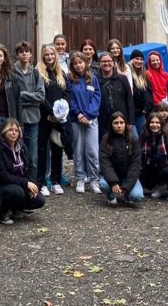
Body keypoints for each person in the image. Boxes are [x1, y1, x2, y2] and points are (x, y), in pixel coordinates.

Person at [0, 118, 46, 224]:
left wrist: (32, 183)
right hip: (1, 185)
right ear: (3, 132)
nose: (14, 133)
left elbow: (30, 167)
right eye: (10, 130)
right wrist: (25, 183)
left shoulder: (22, 146)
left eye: (16, 130)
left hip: (19, 182)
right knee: (17, 192)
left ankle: (17, 208)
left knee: (39, 200)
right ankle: (2, 212)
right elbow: (3, 176)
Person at [8, 40, 46, 180]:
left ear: (31, 54)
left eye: (27, 51)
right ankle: (18, 180)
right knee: (15, 152)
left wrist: (23, 95)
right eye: (21, 52)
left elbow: (41, 96)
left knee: (32, 153)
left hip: (33, 117)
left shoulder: (35, 73)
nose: (24, 54)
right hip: (16, 117)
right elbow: (11, 95)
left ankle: (33, 181)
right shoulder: (11, 72)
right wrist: (31, 98)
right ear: (17, 55)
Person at [66, 52, 101, 194]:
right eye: (75, 63)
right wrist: (78, 114)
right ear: (72, 66)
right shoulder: (70, 80)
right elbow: (70, 98)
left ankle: (94, 179)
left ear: (85, 63)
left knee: (92, 150)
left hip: (91, 119)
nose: (78, 65)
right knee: (78, 150)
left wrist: (88, 114)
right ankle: (80, 177)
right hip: (76, 119)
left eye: (81, 62)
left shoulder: (92, 78)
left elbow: (97, 97)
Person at [36, 44, 69, 194]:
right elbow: (41, 96)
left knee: (57, 148)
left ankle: (56, 180)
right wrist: (51, 112)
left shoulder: (61, 73)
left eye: (52, 54)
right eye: (46, 54)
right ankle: (42, 182)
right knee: (42, 150)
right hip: (44, 117)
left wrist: (61, 113)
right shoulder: (38, 73)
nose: (49, 57)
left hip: (59, 119)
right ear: (43, 56)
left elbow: (66, 93)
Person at [99, 112, 143, 204]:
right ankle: (111, 195)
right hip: (112, 176)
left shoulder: (133, 139)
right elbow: (105, 163)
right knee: (103, 185)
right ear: (111, 125)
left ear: (125, 124)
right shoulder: (105, 139)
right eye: (116, 123)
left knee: (137, 196)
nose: (119, 126)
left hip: (128, 176)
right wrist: (113, 182)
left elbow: (136, 165)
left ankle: (125, 195)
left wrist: (126, 187)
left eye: (121, 123)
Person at [139, 113, 168, 202]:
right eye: (152, 122)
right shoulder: (145, 136)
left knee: (167, 171)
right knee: (144, 170)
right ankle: (160, 186)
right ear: (148, 124)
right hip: (154, 165)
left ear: (161, 124)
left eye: (157, 123)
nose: (154, 125)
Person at [97, 52, 134, 142]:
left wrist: (130, 120)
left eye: (109, 61)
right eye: (103, 61)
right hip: (103, 121)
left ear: (114, 63)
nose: (106, 63)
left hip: (121, 120)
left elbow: (129, 99)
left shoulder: (122, 79)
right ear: (99, 63)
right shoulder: (95, 80)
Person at [127, 50, 153, 136]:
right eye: (136, 59)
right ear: (131, 60)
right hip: (130, 113)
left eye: (141, 59)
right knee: (134, 139)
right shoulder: (127, 74)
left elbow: (148, 94)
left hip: (141, 114)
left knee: (143, 137)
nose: (139, 61)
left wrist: (146, 108)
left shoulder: (144, 76)